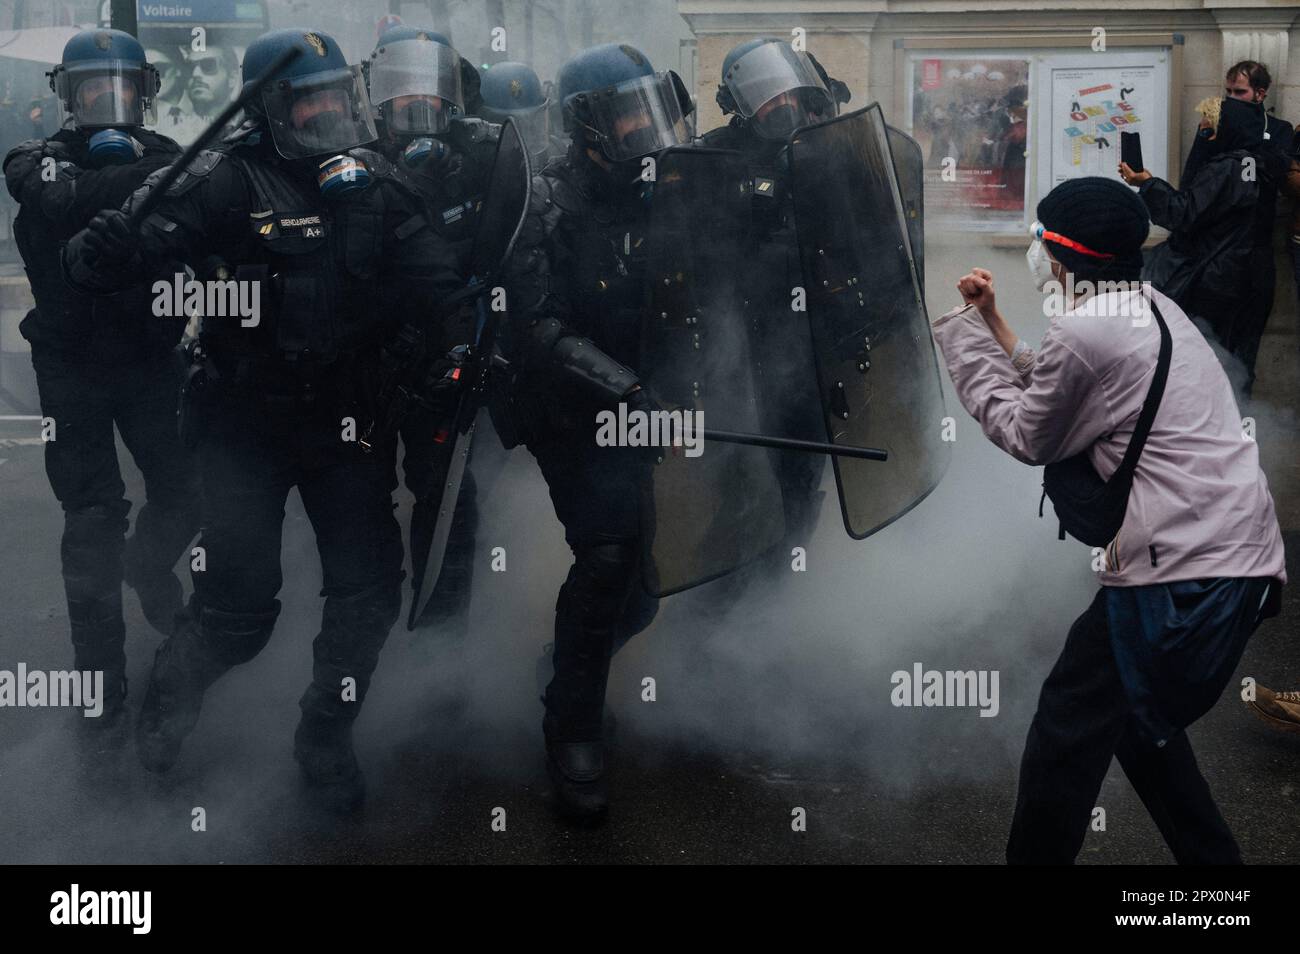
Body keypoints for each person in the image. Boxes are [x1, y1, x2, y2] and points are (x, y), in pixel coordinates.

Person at [62, 28, 463, 810]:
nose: (331, 113)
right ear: (273, 106)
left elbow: (440, 289)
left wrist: (457, 350)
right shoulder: (222, 182)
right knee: (241, 609)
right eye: (312, 100)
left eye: (340, 98)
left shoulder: (376, 184)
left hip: (349, 424)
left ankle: (325, 736)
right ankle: (170, 698)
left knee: (369, 590)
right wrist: (101, 251)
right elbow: (122, 258)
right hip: (243, 424)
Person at [931, 176, 1285, 863]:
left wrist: (962, 339)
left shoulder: (1088, 329)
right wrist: (995, 323)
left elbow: (1027, 431)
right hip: (1237, 560)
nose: (1034, 250)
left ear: (1060, 257)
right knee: (1136, 721)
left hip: (1180, 573)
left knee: (1066, 730)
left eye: (1039, 238)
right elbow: (1068, 386)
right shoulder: (1149, 306)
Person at [498, 42, 692, 819]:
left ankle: (564, 664)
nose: (640, 126)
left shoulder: (665, 191)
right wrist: (625, 388)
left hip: (641, 400)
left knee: (643, 590)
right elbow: (532, 324)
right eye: (623, 113)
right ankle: (571, 728)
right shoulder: (542, 199)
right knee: (608, 552)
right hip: (565, 407)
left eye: (648, 108)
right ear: (585, 125)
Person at [2, 29, 198, 742]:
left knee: (185, 491)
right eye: (92, 92)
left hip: (150, 361)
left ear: (144, 96)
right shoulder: (35, 162)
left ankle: (149, 570)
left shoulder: (172, 160)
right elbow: (52, 201)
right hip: (72, 367)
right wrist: (138, 192)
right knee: (90, 519)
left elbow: (195, 229)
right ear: (68, 98)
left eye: (122, 91)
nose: (108, 105)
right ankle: (99, 673)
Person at [700, 37, 847, 563]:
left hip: (809, 348)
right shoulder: (712, 158)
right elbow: (696, 254)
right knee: (737, 472)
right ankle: (716, 591)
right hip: (737, 345)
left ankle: (781, 577)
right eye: (764, 98)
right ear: (738, 106)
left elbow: (864, 239)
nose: (780, 106)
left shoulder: (829, 147)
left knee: (802, 472)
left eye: (786, 91)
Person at [366, 26, 490, 637]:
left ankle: (440, 645)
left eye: (434, 95)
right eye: (402, 95)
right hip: (365, 360)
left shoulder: (477, 158)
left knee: (448, 502)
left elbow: (506, 232)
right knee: (359, 503)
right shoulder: (353, 156)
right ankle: (364, 628)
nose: (420, 109)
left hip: (445, 355)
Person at [1121, 97, 1265, 360]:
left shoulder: (1226, 167)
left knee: (1198, 350)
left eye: (1209, 129)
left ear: (1228, 129)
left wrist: (1147, 183)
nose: (1204, 133)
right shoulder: (1249, 163)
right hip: (1231, 271)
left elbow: (1182, 213)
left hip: (1208, 276)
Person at [1179, 62, 1292, 390]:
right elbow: (1191, 185)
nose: (1231, 100)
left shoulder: (1279, 130)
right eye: (1227, 93)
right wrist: (1207, 136)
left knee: (1245, 353)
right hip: (1214, 254)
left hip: (1255, 253)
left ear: (1260, 94)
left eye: (1239, 93)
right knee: (1209, 348)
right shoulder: (1214, 128)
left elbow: (1273, 172)